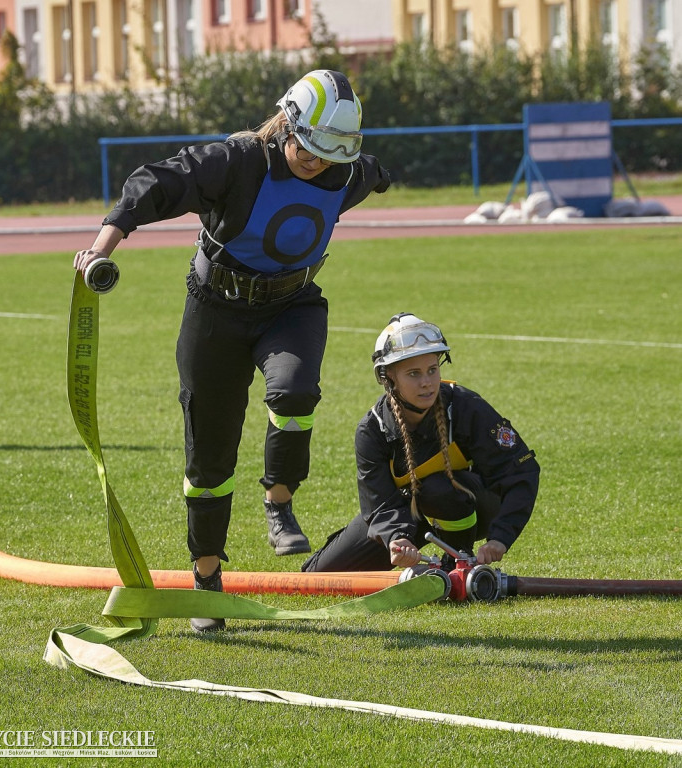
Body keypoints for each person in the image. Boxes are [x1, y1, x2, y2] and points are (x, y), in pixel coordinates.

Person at [73, 70, 390, 632]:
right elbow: (155, 183)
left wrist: (379, 175)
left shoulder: (347, 170)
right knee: (209, 457)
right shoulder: (235, 161)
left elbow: (374, 174)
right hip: (215, 311)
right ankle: (206, 580)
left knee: (294, 392)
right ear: (286, 122)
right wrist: (100, 248)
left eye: (327, 154)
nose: (316, 163)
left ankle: (279, 500)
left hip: (291, 306)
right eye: (307, 147)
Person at [302, 313, 540, 573]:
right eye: (413, 373)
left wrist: (500, 538)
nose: (426, 382)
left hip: (470, 506)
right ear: (388, 378)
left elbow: (520, 471)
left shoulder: (467, 408)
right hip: (407, 513)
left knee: (437, 488)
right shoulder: (372, 430)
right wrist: (397, 539)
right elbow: (379, 503)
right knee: (321, 575)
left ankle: (459, 560)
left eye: (432, 370)